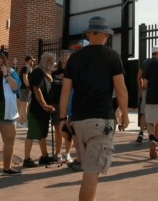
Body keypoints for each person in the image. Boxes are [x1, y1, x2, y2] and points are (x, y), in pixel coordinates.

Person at [59, 16, 129, 201]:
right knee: (91, 173)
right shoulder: (112, 56)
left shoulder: (75, 58)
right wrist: (124, 114)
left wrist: (61, 119)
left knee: (89, 169)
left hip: (78, 121)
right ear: (106, 35)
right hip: (101, 119)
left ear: (89, 34)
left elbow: (65, 91)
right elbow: (120, 88)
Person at [23, 52, 56, 168]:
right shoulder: (38, 72)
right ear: (43, 61)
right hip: (37, 109)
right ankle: (26, 159)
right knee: (32, 134)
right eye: (48, 60)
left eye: (52, 61)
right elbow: (37, 89)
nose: (50, 63)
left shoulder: (50, 74)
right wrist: (44, 105)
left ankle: (44, 156)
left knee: (42, 134)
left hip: (46, 110)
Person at [51, 49, 74, 163]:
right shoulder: (54, 72)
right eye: (62, 55)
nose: (64, 57)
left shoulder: (73, 72)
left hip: (69, 102)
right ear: (59, 58)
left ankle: (68, 153)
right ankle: (58, 153)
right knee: (57, 129)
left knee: (68, 129)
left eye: (66, 55)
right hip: (57, 103)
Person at [136, 46, 158, 143]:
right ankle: (155, 135)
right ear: (157, 53)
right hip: (156, 91)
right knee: (157, 115)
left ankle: (141, 132)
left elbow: (138, 77)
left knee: (144, 113)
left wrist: (140, 89)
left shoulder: (145, 62)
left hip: (145, 90)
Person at [17, 56, 34, 128]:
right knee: (24, 106)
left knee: (24, 106)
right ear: (29, 60)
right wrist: (29, 88)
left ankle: (21, 121)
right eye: (32, 60)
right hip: (25, 89)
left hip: (25, 89)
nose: (33, 62)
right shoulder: (26, 68)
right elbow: (25, 78)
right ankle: (22, 122)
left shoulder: (29, 68)